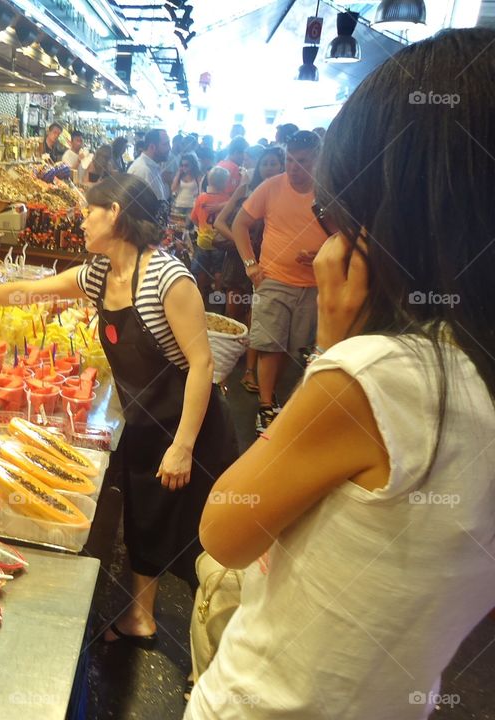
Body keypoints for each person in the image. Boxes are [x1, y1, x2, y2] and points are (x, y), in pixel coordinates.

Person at [185, 28, 495, 720]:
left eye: (338, 213)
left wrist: (331, 350)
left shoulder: (385, 375)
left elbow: (224, 529)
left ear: (389, 216)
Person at [0, 174, 238, 646]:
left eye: (87, 213)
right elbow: (30, 292)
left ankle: (223, 655)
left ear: (114, 213)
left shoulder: (167, 278)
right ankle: (142, 619)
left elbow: (202, 364)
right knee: (144, 524)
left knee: (203, 540)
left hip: (189, 426)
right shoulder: (99, 275)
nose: (81, 222)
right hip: (145, 419)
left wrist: (183, 445)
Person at [230, 131, 328, 433]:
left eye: (302, 162)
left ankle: (280, 403)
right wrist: (251, 265)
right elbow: (239, 224)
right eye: (289, 160)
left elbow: (345, 235)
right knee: (270, 344)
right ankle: (266, 404)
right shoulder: (271, 187)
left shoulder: (329, 191)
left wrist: (323, 254)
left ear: (317, 161)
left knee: (297, 348)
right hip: (272, 279)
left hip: (314, 285)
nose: (294, 168)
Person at [213, 146, 284, 392]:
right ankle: (225, 361)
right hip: (239, 261)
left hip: (269, 263)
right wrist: (242, 243)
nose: (269, 168)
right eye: (265, 163)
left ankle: (249, 371)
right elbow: (220, 222)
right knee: (233, 313)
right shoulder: (245, 190)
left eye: (274, 163)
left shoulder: (285, 193)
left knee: (256, 317)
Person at [189, 166, 232, 302]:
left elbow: (193, 218)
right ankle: (217, 297)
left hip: (203, 240)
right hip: (220, 240)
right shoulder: (227, 199)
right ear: (225, 183)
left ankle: (200, 294)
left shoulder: (201, 198)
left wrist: (201, 226)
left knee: (201, 268)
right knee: (219, 270)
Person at [127, 128, 171, 202]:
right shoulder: (143, 169)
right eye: (165, 144)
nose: (169, 148)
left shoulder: (151, 167)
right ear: (152, 147)